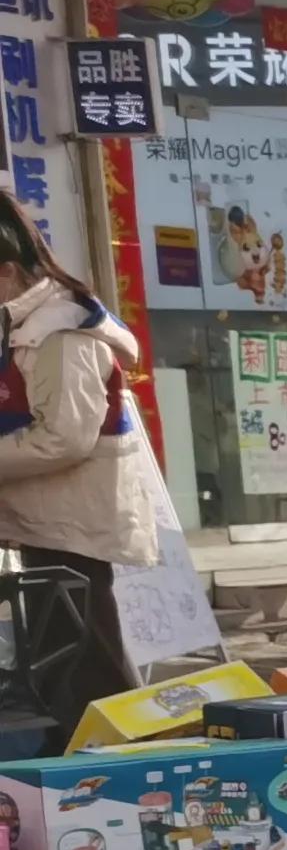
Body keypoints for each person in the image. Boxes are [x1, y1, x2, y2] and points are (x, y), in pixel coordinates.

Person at [0, 191, 159, 711]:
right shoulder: (22, 325)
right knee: (60, 671)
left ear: (7, 271)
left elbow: (64, 438)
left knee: (87, 672)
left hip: (73, 527)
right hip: (42, 523)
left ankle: (118, 755)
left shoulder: (60, 330)